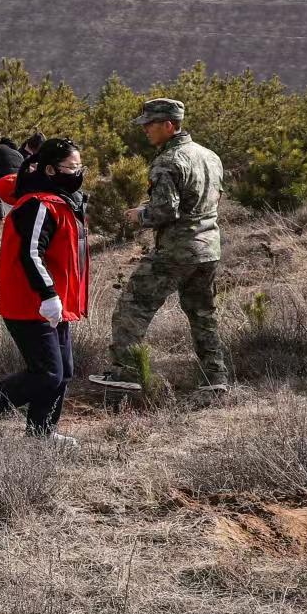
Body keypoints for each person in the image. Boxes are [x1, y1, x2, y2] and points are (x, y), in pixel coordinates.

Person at [95, 98, 230, 393]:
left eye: (150, 124)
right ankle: (214, 377)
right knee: (202, 313)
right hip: (208, 249)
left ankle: (127, 372)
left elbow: (165, 212)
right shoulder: (210, 156)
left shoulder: (168, 161)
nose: (145, 130)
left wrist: (140, 214)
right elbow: (208, 200)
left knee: (132, 308)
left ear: (169, 125)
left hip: (177, 250)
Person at [0, 138, 88, 445]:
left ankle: (41, 434)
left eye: (80, 166)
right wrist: (48, 294)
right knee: (47, 372)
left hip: (55, 303)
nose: (78, 173)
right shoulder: (39, 205)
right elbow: (31, 254)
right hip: (31, 303)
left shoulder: (63, 201)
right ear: (50, 170)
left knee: (63, 372)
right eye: (71, 168)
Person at [0, 137, 24, 220]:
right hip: (18, 178)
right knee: (17, 198)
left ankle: (1, 218)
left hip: (3, 178)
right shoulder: (19, 154)